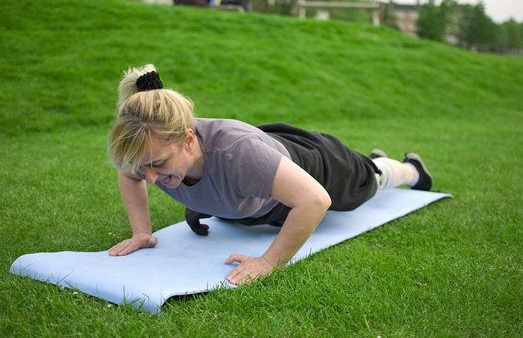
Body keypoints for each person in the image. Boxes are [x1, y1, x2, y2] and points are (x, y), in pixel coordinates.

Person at [107, 64, 432, 285]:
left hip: (318, 165)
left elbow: (315, 199)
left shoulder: (238, 154)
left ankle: (406, 169)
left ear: (189, 140)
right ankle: (373, 162)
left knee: (368, 181)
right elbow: (129, 175)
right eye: (144, 166)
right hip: (261, 178)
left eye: (159, 165)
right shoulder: (149, 146)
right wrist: (141, 231)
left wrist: (268, 262)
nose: (149, 177)